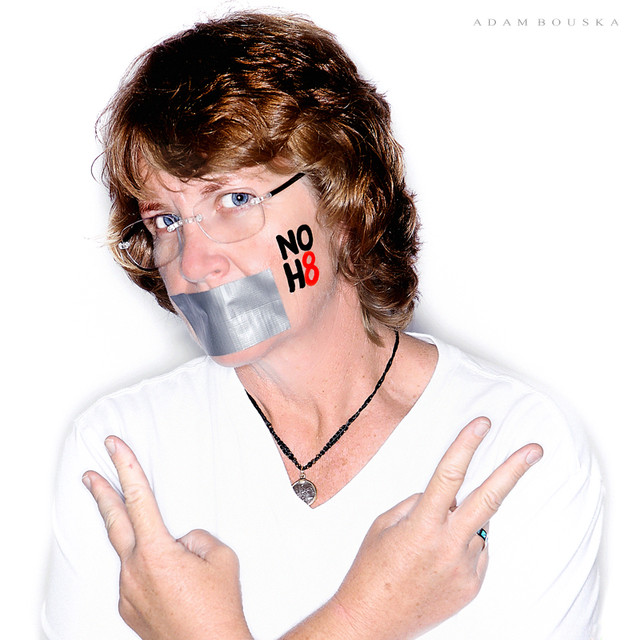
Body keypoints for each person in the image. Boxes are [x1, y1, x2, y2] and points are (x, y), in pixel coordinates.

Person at [43, 11, 602, 640]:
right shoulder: (121, 453)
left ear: (345, 208)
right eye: (166, 220)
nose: (194, 265)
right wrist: (366, 617)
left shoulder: (512, 448)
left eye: (236, 200)